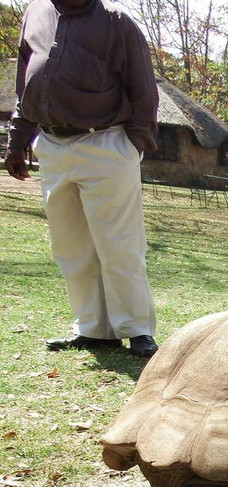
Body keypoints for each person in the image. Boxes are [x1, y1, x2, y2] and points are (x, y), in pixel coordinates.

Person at [4, 0, 160, 358]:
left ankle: (136, 329)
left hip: (106, 142)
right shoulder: (35, 12)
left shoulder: (116, 20)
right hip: (52, 144)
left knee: (119, 243)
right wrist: (18, 141)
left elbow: (143, 87)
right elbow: (24, 83)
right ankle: (93, 329)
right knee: (70, 245)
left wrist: (132, 145)